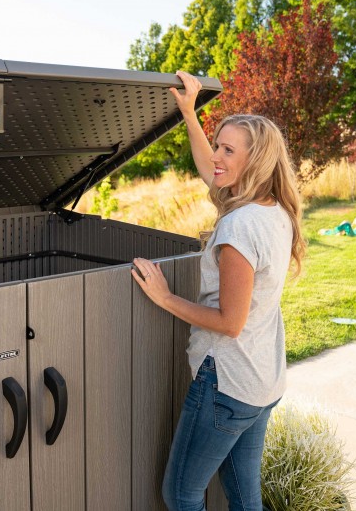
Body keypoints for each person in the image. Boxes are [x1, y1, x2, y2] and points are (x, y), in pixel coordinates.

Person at [131, 71, 306, 511]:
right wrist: (189, 113)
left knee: (182, 493)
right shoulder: (273, 211)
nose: (218, 157)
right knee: (245, 497)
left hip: (227, 384)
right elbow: (209, 167)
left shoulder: (238, 226)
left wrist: (164, 298)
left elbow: (230, 323)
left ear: (254, 161)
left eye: (228, 150)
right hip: (261, 382)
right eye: (218, 146)